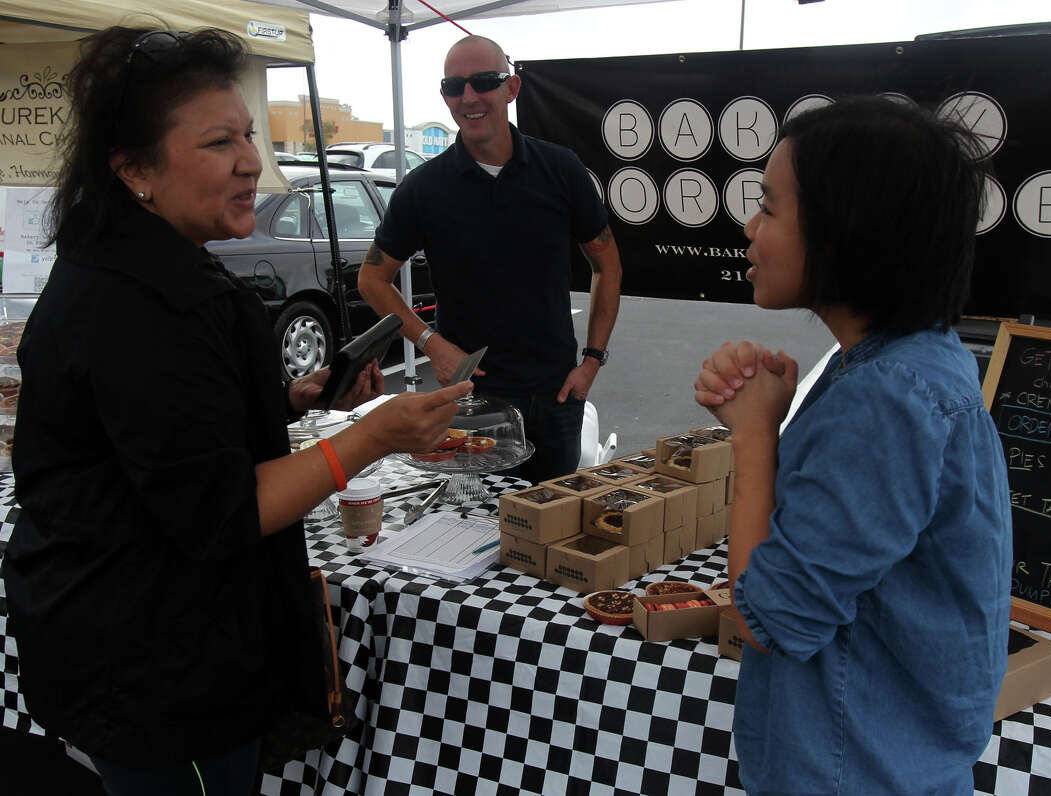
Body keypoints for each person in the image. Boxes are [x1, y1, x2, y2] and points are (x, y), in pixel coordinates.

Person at [0, 27, 471, 795]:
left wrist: (288, 400)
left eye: (249, 133)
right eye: (220, 142)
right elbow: (222, 510)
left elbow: (172, 436)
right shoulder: (135, 307)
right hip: (153, 672)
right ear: (134, 170)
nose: (253, 160)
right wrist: (370, 438)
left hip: (151, 647)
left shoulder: (146, 266)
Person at [693, 97, 1012, 794]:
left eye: (770, 208)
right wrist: (771, 421)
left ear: (847, 232)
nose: (749, 228)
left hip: (854, 769)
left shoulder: (886, 397)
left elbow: (769, 615)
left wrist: (753, 439)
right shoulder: (912, 358)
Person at [359, 34, 622, 483]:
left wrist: (592, 361)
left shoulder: (560, 170)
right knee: (474, 530)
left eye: (483, 81)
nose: (469, 97)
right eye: (453, 86)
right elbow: (372, 279)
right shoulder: (424, 188)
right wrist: (431, 344)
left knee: (551, 532)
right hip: (472, 400)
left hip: (556, 396)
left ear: (511, 88)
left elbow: (608, 266)